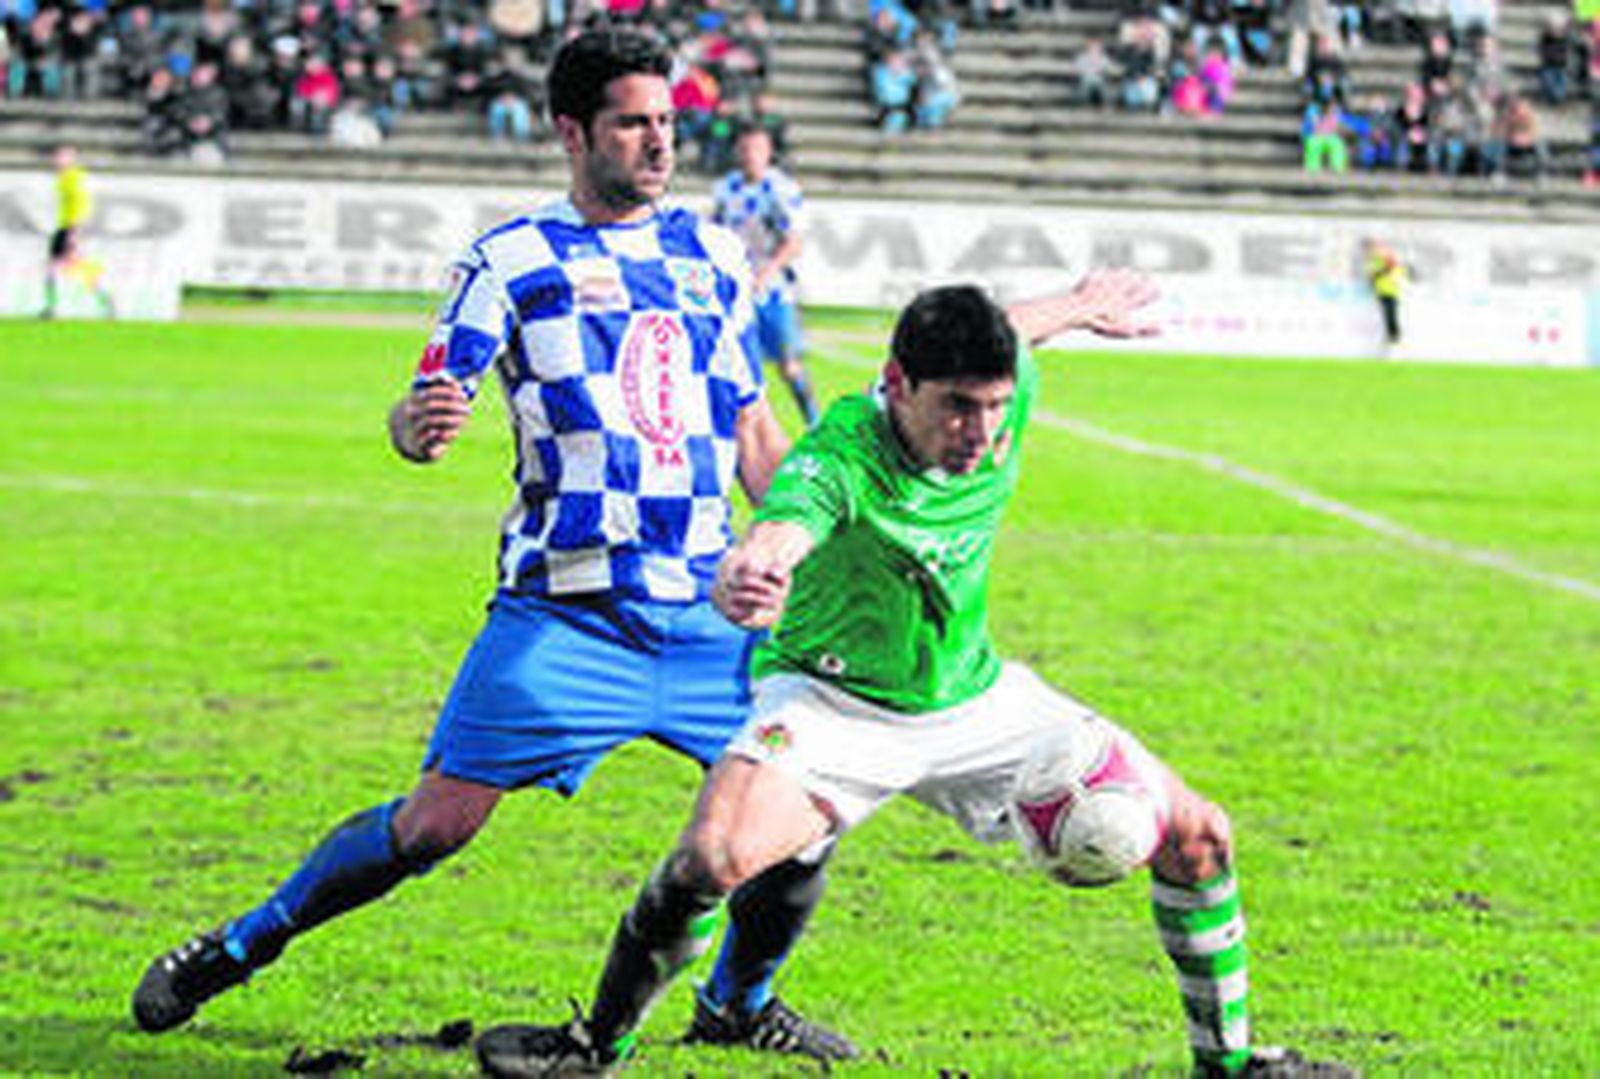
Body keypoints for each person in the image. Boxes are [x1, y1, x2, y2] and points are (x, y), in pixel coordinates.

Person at [128, 30, 858, 1068]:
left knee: (803, 818)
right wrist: (415, 425)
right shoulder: (508, 261)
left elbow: (749, 429)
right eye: (632, 123)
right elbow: (423, 401)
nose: (659, 142)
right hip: (565, 613)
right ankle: (237, 944)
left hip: (709, 613)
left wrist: (807, 535)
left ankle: (737, 1002)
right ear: (571, 132)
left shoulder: (712, 257)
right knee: (431, 827)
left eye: (666, 121)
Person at [475, 276, 1349, 1078]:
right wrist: (754, 568)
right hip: (830, 703)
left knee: (1201, 833)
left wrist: (1081, 302)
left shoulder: (1000, 393)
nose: (982, 433)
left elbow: (1013, 328)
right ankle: (597, 1044)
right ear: (896, 382)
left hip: (975, 697)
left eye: (997, 408)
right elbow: (786, 524)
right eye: (959, 408)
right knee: (713, 853)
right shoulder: (839, 456)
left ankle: (1230, 1067)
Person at [710, 122, 820, 428]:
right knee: (742, 365)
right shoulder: (726, 188)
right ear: (737, 151)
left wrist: (765, 274)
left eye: (757, 149)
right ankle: (751, 432)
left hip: (774, 291)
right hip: (736, 291)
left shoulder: (782, 189)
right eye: (745, 148)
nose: (750, 155)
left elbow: (794, 241)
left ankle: (814, 422)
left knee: (789, 366)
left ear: (769, 152)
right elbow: (715, 232)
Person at [40, 144, 114, 320]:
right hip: (63, 227)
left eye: (63, 157)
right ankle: (51, 308)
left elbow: (80, 204)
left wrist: (75, 231)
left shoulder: (74, 177)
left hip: (71, 228)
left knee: (76, 266)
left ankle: (105, 299)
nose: (58, 160)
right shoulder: (63, 178)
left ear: (72, 159)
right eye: (57, 156)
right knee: (52, 267)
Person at [1363, 237, 1408, 350]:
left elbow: (1394, 269)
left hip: (1390, 291)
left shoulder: (1384, 260)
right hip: (1383, 291)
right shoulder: (1375, 262)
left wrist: (1379, 273)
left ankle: (1394, 336)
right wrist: (1373, 278)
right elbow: (1372, 276)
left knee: (1390, 313)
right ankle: (1392, 336)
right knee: (1388, 314)